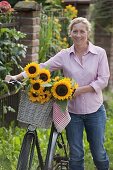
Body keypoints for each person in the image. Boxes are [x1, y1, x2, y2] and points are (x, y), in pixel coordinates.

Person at [5, 17, 110, 170]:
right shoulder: (64, 55)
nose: (78, 35)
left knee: (99, 153)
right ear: (70, 33)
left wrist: (79, 91)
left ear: (88, 33)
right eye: (75, 31)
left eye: (82, 31)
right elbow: (41, 67)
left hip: (95, 111)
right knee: (76, 154)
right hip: (72, 113)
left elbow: (103, 80)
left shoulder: (99, 53)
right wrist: (16, 77)